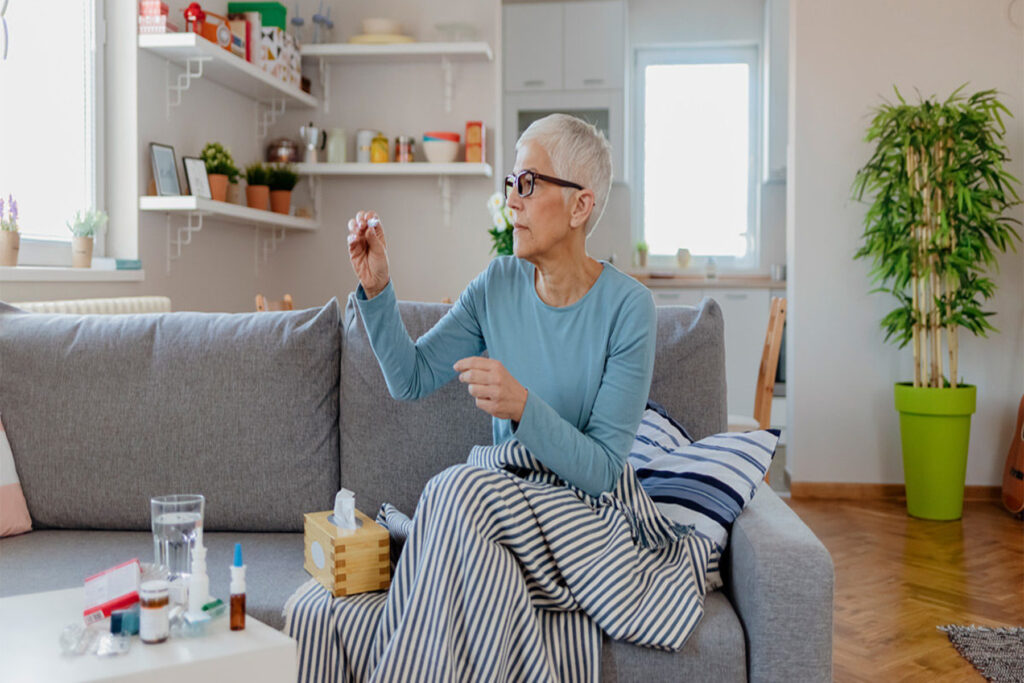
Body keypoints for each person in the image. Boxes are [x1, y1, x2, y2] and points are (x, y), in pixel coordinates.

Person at [346, 113, 656, 497]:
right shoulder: (497, 285)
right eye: (512, 183)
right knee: (450, 492)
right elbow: (410, 377)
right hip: (503, 502)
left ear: (579, 207)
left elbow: (603, 473)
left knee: (452, 492)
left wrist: (522, 406)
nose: (510, 201)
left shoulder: (630, 309)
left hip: (579, 513)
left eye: (527, 184)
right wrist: (377, 287)